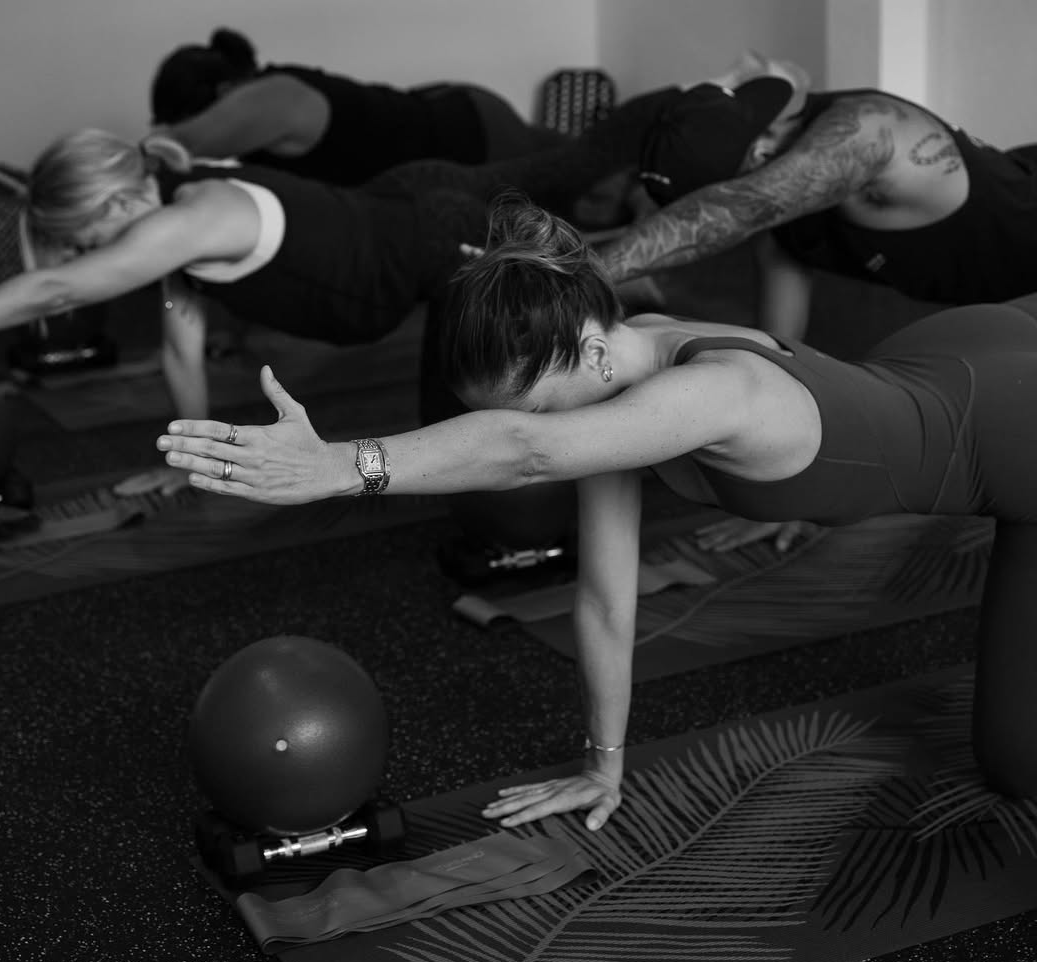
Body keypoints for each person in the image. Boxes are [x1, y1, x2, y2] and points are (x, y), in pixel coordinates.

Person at [156, 198, 1037, 831]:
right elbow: (608, 598)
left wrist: (345, 468)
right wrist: (601, 765)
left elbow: (524, 449)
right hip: (949, 363)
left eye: (535, 407)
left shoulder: (714, 391)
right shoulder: (621, 357)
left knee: (1019, 768)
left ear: (584, 349)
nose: (539, 431)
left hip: (1016, 429)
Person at [0, 85, 682, 491]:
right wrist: (186, 465)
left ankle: (663, 204)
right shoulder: (174, 233)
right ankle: (650, 198)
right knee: (567, 177)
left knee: (484, 411)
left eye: (82, 243)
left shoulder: (192, 216)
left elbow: (53, 290)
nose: (88, 263)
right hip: (406, 204)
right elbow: (183, 351)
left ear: (117, 207)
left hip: (425, 241)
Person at [605, 79, 1037, 552]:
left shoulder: (874, 130)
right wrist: (778, 492)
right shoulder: (786, 212)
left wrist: (566, 275)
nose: (775, 131)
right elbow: (776, 347)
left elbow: (734, 212)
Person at [150, 27, 566, 187]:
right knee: (572, 161)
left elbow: (169, 150)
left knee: (586, 180)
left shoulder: (272, 96)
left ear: (223, 92)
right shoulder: (270, 95)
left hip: (471, 131)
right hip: (457, 113)